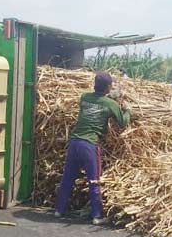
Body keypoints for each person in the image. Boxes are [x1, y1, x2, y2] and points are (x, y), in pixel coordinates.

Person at [55, 72, 131, 225]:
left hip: (75, 142)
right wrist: (128, 110)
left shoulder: (84, 98)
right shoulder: (111, 104)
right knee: (93, 180)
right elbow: (122, 122)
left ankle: (59, 209)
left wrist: (110, 96)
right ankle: (97, 216)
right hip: (89, 145)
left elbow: (97, 101)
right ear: (108, 87)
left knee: (68, 178)